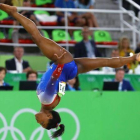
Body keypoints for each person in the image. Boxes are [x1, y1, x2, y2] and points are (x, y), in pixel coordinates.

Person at [1, 3, 140, 138]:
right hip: (63, 63)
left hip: (70, 71)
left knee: (105, 62)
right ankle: (13, 12)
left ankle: (134, 57)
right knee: (37, 37)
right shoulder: (45, 99)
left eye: (41, 124)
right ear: (49, 115)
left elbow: (62, 88)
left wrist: (64, 74)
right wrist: (60, 63)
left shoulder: (54, 102)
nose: (39, 122)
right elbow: (54, 79)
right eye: (43, 122)